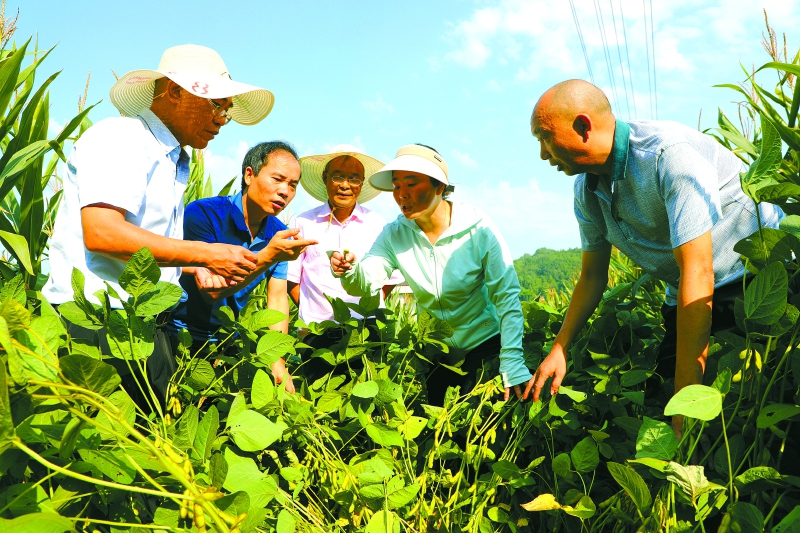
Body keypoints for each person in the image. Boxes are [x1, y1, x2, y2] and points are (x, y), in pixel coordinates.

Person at [528, 79, 783, 435]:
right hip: (684, 294)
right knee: (664, 404)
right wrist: (560, 348)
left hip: (754, 278)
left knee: (740, 412)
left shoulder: (667, 156)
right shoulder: (585, 191)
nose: (542, 153)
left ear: (584, 126)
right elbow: (592, 277)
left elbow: (699, 271)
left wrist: (686, 406)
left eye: (545, 137)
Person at [43, 44, 275, 409]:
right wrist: (205, 253)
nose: (220, 120)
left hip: (146, 327)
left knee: (150, 450)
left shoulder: (170, 161)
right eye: (216, 105)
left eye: (226, 112)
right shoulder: (123, 138)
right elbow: (103, 232)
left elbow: (145, 247)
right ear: (175, 92)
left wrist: (193, 267)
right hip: (101, 324)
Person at [330, 144, 535, 405]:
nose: (402, 194)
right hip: (437, 349)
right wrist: (350, 270)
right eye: (396, 186)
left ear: (439, 187)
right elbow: (366, 280)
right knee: (438, 431)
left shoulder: (478, 228)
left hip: (483, 342)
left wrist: (513, 361)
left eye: (412, 184)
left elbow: (507, 297)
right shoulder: (395, 234)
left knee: (476, 423)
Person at [169, 142, 316, 394]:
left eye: (292, 185)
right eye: (278, 179)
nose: (285, 191)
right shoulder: (204, 214)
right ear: (250, 175)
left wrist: (278, 361)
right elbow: (211, 291)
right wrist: (268, 256)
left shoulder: (278, 233)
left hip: (227, 340)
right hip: (177, 334)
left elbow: (278, 299)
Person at [288, 145, 402, 359]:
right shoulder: (303, 223)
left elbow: (390, 277)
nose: (345, 185)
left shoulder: (376, 224)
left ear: (361, 183)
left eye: (354, 178)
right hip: (316, 330)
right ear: (325, 178)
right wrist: (311, 308)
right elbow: (291, 278)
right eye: (338, 176)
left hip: (366, 331)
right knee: (314, 390)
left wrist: (369, 307)